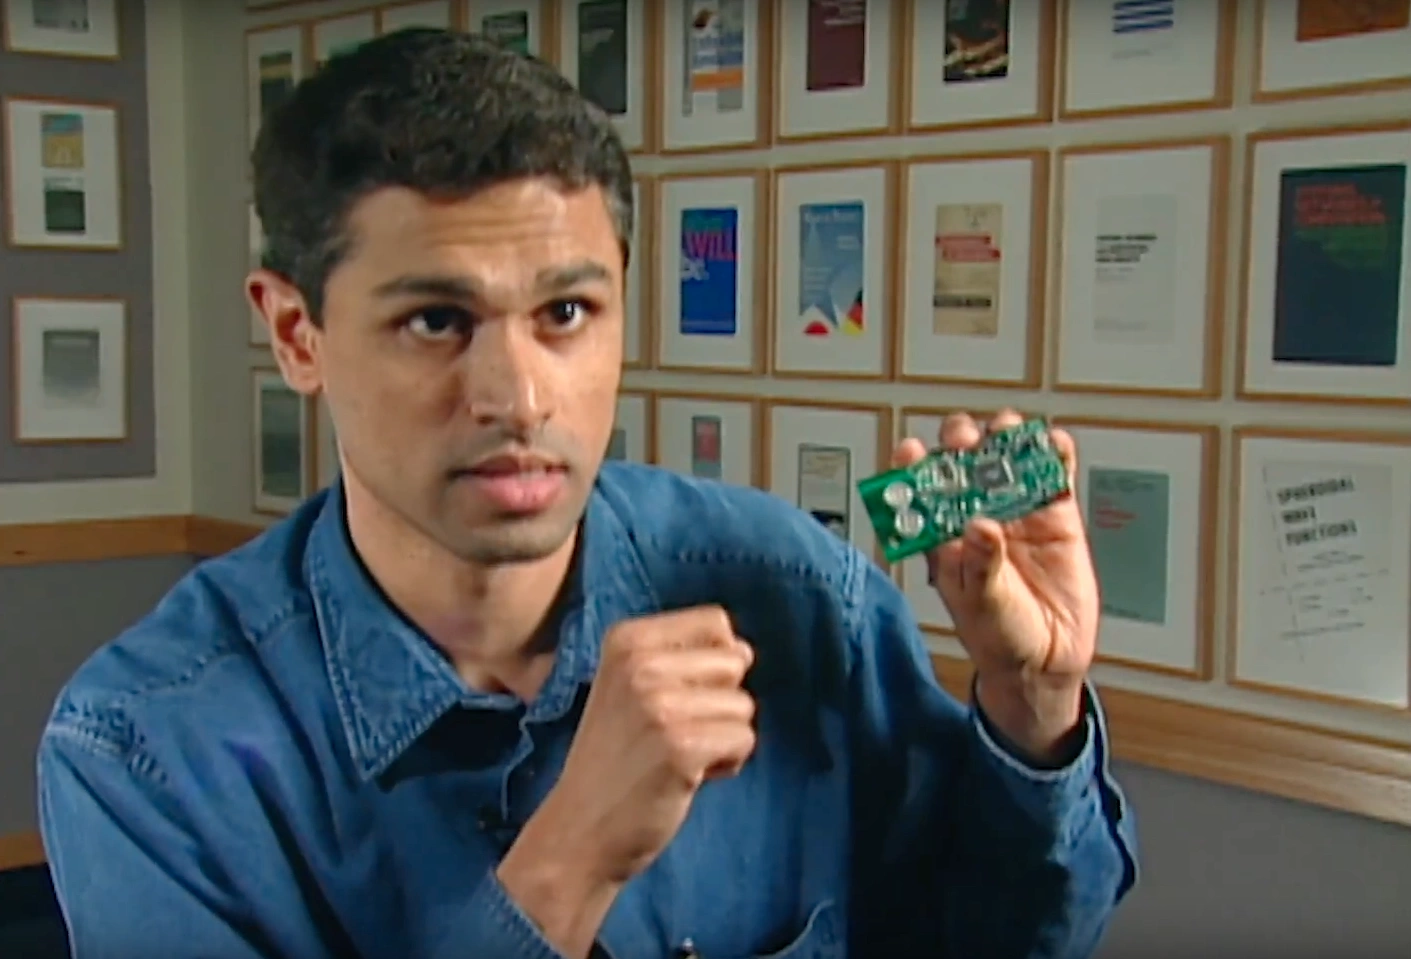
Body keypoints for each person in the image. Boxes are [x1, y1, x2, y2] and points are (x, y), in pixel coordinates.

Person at [37, 29, 1137, 959]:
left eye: (566, 313)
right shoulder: (147, 746)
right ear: (296, 332)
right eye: (436, 320)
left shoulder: (801, 595)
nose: (518, 395)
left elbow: (992, 935)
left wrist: (1031, 710)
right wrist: (561, 870)